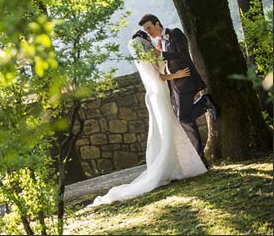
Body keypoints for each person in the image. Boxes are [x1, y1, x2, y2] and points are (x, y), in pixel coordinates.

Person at [88, 31, 207, 207]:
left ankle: (174, 164)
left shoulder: (141, 57)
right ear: (144, 40)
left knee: (167, 127)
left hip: (154, 93)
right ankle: (173, 165)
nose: (151, 42)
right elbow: (160, 76)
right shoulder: (149, 54)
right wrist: (178, 75)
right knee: (169, 126)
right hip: (160, 90)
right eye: (148, 40)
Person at [138, 14, 216, 167]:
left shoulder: (174, 33)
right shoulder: (161, 42)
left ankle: (201, 160)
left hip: (186, 81)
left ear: (157, 23)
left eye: (149, 28)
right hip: (175, 85)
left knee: (183, 120)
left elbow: (182, 54)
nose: (148, 32)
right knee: (184, 120)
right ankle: (204, 103)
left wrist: (160, 54)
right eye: (146, 31)